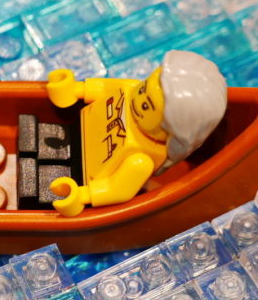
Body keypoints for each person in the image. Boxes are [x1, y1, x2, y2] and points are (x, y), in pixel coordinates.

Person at [46, 50, 227, 217]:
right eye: (142, 89)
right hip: (72, 130)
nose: (138, 99)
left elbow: (117, 189)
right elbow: (102, 88)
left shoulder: (140, 160)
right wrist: (73, 90)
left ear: (174, 128)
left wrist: (82, 195)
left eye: (148, 105)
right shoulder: (130, 89)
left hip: (79, 174)